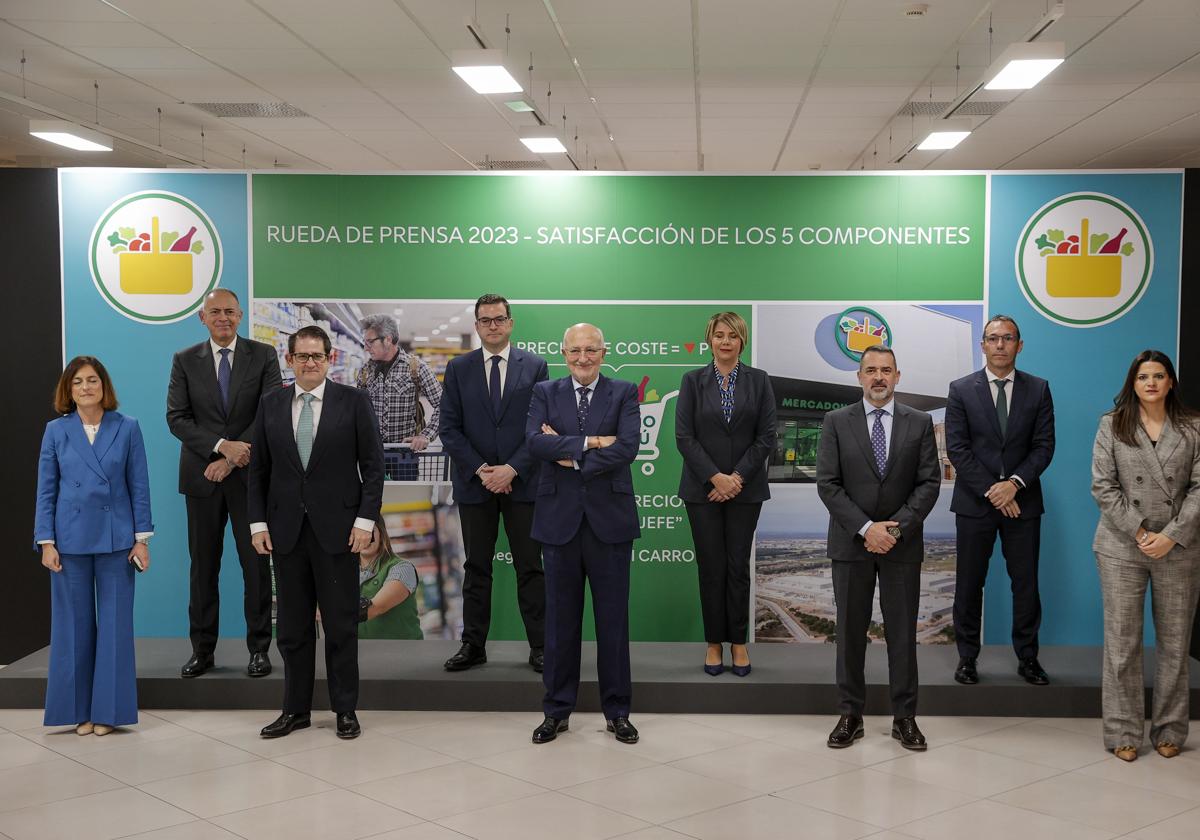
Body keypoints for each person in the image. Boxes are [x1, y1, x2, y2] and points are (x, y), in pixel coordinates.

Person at [248, 325, 385, 740]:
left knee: (341, 625)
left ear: (331, 360)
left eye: (318, 356)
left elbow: (374, 468)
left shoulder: (354, 402)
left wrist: (364, 521)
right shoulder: (271, 404)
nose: (310, 363)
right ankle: (295, 710)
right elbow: (259, 471)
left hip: (339, 532)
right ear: (288, 360)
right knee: (291, 628)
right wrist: (257, 524)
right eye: (302, 356)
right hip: (286, 532)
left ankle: (346, 710)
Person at [816, 345, 940, 752]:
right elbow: (828, 484)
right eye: (871, 370)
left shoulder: (919, 422)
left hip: (901, 546)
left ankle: (905, 718)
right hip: (852, 545)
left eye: (886, 370)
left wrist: (896, 529)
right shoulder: (836, 422)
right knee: (850, 634)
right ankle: (850, 715)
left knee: (902, 635)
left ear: (898, 376)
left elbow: (928, 483)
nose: (879, 377)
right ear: (859, 377)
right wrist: (867, 528)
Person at [526, 323, 641, 745]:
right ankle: (556, 711)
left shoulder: (624, 391)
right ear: (563, 353)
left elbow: (627, 446)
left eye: (591, 349)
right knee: (559, 625)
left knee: (613, 623)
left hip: (610, 523)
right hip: (559, 523)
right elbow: (534, 444)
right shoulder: (544, 392)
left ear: (604, 351)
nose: (583, 358)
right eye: (575, 350)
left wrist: (570, 454)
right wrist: (592, 442)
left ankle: (618, 712)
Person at [167, 289, 282, 679]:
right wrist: (220, 448)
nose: (223, 318)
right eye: (215, 312)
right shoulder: (184, 360)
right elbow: (177, 418)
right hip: (202, 478)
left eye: (230, 312)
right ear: (202, 317)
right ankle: (202, 651)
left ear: (241, 315)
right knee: (203, 569)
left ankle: (259, 650)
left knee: (256, 566)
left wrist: (233, 459)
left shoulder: (263, 355)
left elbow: (270, 412)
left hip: (250, 479)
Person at [1091, 350, 1200, 762]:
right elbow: (1103, 486)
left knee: (1174, 644)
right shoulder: (1111, 425)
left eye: (1158, 375)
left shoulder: (1193, 427)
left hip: (1179, 546)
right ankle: (1123, 733)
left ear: (1170, 381)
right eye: (1143, 377)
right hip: (1122, 545)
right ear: (1132, 383)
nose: (1151, 383)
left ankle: (1170, 730)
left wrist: (1170, 535)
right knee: (1122, 644)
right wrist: (1140, 531)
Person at [35, 356, 153, 735]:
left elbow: (139, 485)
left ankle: (109, 713)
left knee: (116, 627)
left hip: (117, 541)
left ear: (104, 386)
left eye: (92, 380)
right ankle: (79, 712)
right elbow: (46, 489)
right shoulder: (56, 430)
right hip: (68, 541)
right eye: (77, 382)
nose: (86, 387)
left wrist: (141, 540)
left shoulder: (128, 427)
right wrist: (46, 541)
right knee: (73, 627)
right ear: (68, 391)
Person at [439, 294, 549, 672]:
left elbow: (540, 428)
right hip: (476, 484)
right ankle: (473, 645)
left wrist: (512, 469)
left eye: (499, 319)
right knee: (476, 567)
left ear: (511, 322)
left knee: (530, 567)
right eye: (485, 320)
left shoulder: (535, 367)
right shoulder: (458, 368)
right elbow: (449, 429)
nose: (493, 326)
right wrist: (483, 469)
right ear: (476, 325)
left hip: (523, 484)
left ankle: (541, 646)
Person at [945, 315, 1055, 686]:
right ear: (983, 345)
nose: (1000, 345)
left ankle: (1028, 659)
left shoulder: (1038, 389)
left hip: (1023, 503)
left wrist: (1015, 484)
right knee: (969, 583)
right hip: (975, 504)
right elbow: (957, 448)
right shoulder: (961, 389)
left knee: (1025, 584)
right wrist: (995, 490)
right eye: (993, 338)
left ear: (1019, 345)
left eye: (1008, 338)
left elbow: (1044, 446)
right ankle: (966, 659)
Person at [675, 312, 776, 676]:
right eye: (719, 335)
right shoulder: (692, 381)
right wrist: (715, 478)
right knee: (711, 569)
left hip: (745, 492)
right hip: (702, 492)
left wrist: (735, 478)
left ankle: (738, 643)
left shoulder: (759, 381)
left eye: (732, 335)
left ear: (742, 340)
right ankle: (714, 644)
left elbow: (766, 436)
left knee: (737, 570)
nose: (725, 341)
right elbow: (684, 437)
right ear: (710, 340)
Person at [357, 313, 442, 481]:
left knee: (404, 496)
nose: (366, 347)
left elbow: (445, 406)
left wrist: (426, 435)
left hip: (404, 455)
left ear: (387, 339)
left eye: (370, 342)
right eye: (364, 342)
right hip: (372, 453)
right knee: (373, 500)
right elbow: (358, 412)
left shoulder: (416, 367)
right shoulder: (365, 372)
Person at [357, 513, 423, 640]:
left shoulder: (402, 568)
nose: (364, 537)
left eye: (369, 531)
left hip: (405, 655)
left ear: (381, 534)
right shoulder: (345, 573)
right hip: (365, 655)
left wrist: (330, 612)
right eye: (358, 532)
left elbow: (376, 607)